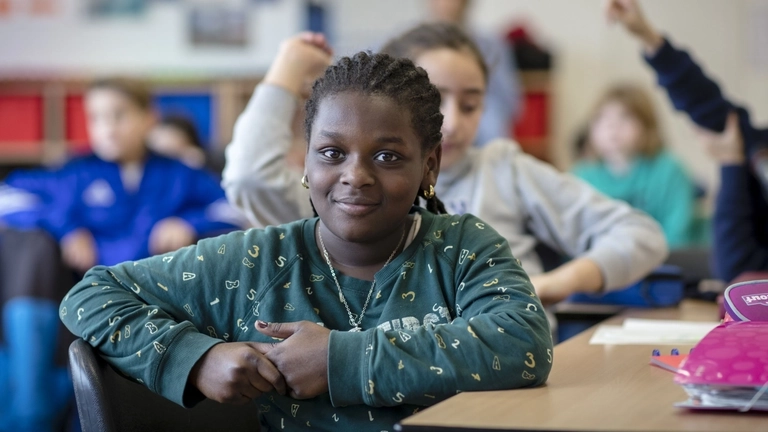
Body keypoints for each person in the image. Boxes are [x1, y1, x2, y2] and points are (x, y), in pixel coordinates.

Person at [60, 51, 553, 431]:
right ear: (307, 161)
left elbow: (523, 342)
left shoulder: (464, 247)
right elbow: (90, 295)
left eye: (387, 157)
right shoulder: (253, 259)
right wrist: (195, 358)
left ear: (430, 165)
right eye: (332, 152)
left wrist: (339, 359)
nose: (355, 176)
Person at [223, 26, 668, 305]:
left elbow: (640, 235)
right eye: (434, 100)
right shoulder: (350, 190)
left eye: (471, 104)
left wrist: (549, 285)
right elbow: (249, 179)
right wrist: (285, 73)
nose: (451, 123)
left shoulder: (502, 168)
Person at [0, 78, 241, 431]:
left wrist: (189, 223)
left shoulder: (178, 174)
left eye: (118, 115)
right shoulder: (75, 171)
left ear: (148, 119)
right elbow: (8, 196)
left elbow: (237, 212)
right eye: (96, 118)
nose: (106, 128)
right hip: (78, 309)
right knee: (29, 249)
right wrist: (65, 228)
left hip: (156, 310)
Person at [605, 0, 768, 281]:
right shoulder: (758, 148)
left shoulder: (667, 169)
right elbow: (709, 107)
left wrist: (730, 165)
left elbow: (734, 267)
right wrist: (648, 36)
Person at [572, 83, 699, 249]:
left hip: (661, 265)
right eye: (602, 118)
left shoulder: (669, 171)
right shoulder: (581, 176)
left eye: (625, 117)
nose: (612, 126)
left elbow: (678, 235)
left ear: (646, 126)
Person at [427, 0, 521, 146]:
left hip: (486, 127)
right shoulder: (409, 45)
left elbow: (511, 100)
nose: (448, 5)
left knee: (492, 120)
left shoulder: (491, 45)